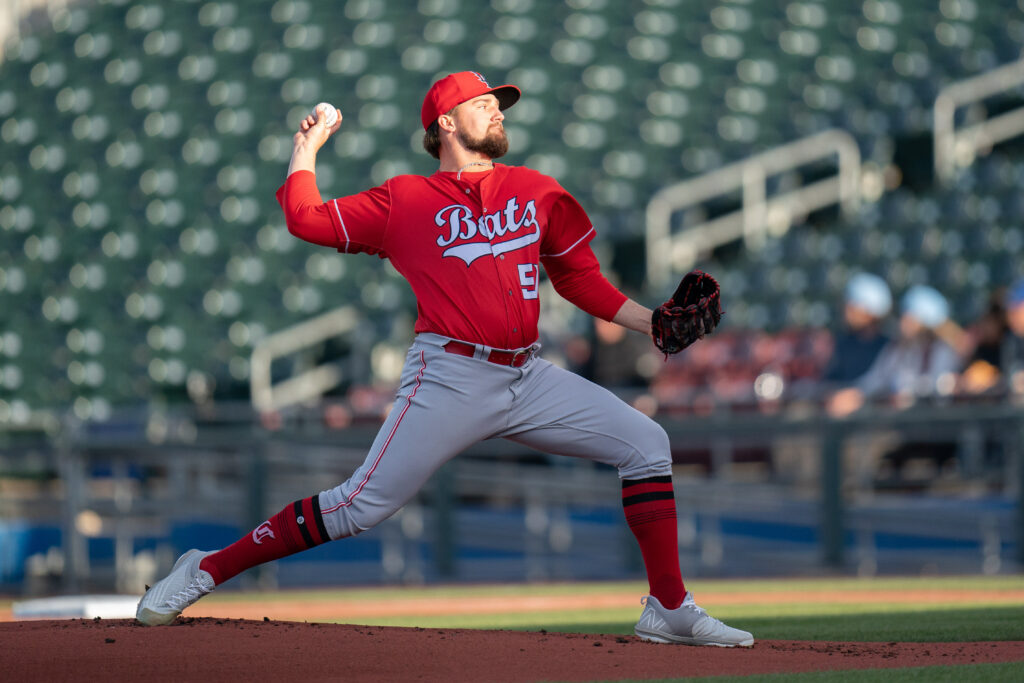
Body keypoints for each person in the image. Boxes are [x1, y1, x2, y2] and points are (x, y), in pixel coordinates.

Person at [136, 71, 752, 647]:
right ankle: (206, 569)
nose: (497, 110)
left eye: (498, 104)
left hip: (528, 373)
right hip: (450, 375)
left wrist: (652, 322)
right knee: (358, 507)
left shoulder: (537, 190)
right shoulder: (405, 200)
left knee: (647, 443)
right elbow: (303, 219)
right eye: (483, 103)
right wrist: (307, 148)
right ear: (446, 123)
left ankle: (669, 607)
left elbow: (578, 278)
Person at [828, 284, 961, 416]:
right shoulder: (897, 349)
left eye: (910, 318)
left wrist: (908, 395)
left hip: (933, 423)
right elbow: (874, 380)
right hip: (901, 423)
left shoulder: (944, 352)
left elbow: (942, 388)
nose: (903, 322)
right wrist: (854, 395)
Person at [820, 272, 892, 389]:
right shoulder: (842, 344)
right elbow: (830, 382)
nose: (847, 311)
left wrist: (858, 394)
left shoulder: (889, 348)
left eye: (853, 307)